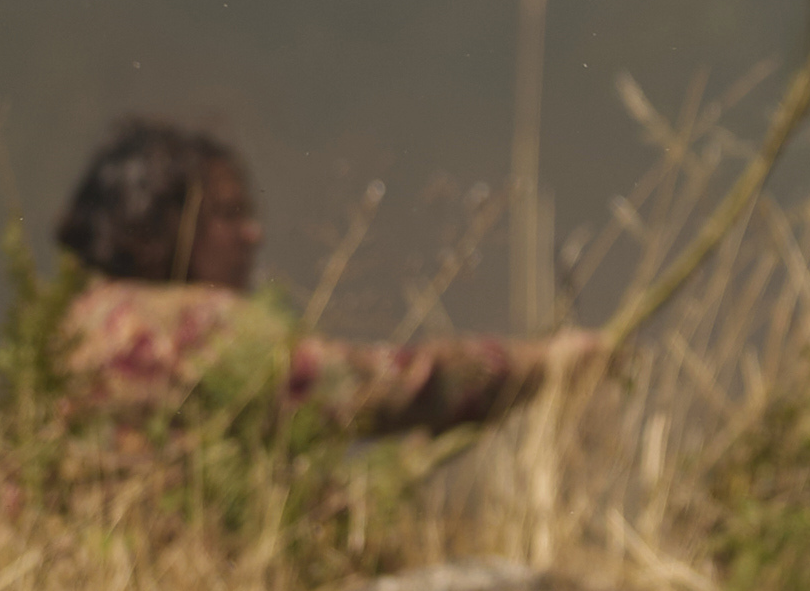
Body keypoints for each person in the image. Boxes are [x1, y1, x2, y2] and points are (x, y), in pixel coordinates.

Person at [45, 118, 594, 434]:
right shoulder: (191, 325)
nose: (252, 234)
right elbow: (377, 390)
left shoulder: (66, 333)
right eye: (230, 215)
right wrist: (540, 366)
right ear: (161, 227)